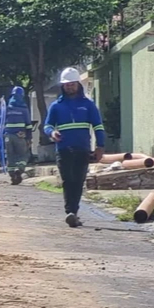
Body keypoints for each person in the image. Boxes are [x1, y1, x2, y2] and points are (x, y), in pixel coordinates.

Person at [44, 67, 106, 228]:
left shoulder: (88, 105)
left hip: (82, 149)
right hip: (63, 149)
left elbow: (98, 126)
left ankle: (74, 212)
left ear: (78, 84)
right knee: (67, 180)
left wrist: (100, 146)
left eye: (72, 84)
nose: (69, 87)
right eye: (67, 84)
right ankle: (70, 212)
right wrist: (52, 133)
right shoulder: (56, 106)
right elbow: (47, 125)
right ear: (62, 86)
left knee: (78, 181)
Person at [2, 85, 32, 185]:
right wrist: (29, 138)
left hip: (8, 136)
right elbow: (28, 124)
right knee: (23, 154)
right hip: (20, 135)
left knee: (10, 156)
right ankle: (19, 169)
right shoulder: (24, 108)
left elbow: (1, 122)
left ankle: (12, 175)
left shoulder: (6, 108)